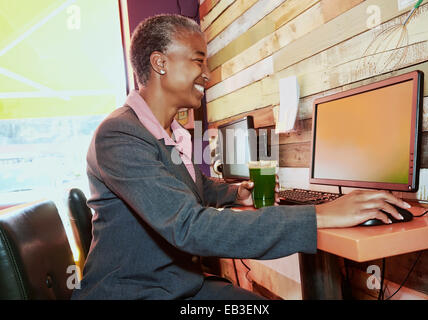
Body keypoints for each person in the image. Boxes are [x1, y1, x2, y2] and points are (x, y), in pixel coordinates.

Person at [71, 14, 410, 300]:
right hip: (138, 292)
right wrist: (319, 214)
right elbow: (190, 226)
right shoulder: (119, 135)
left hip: (176, 284)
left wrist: (235, 193)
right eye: (198, 60)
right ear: (160, 62)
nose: (206, 74)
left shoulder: (172, 133)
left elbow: (190, 184)